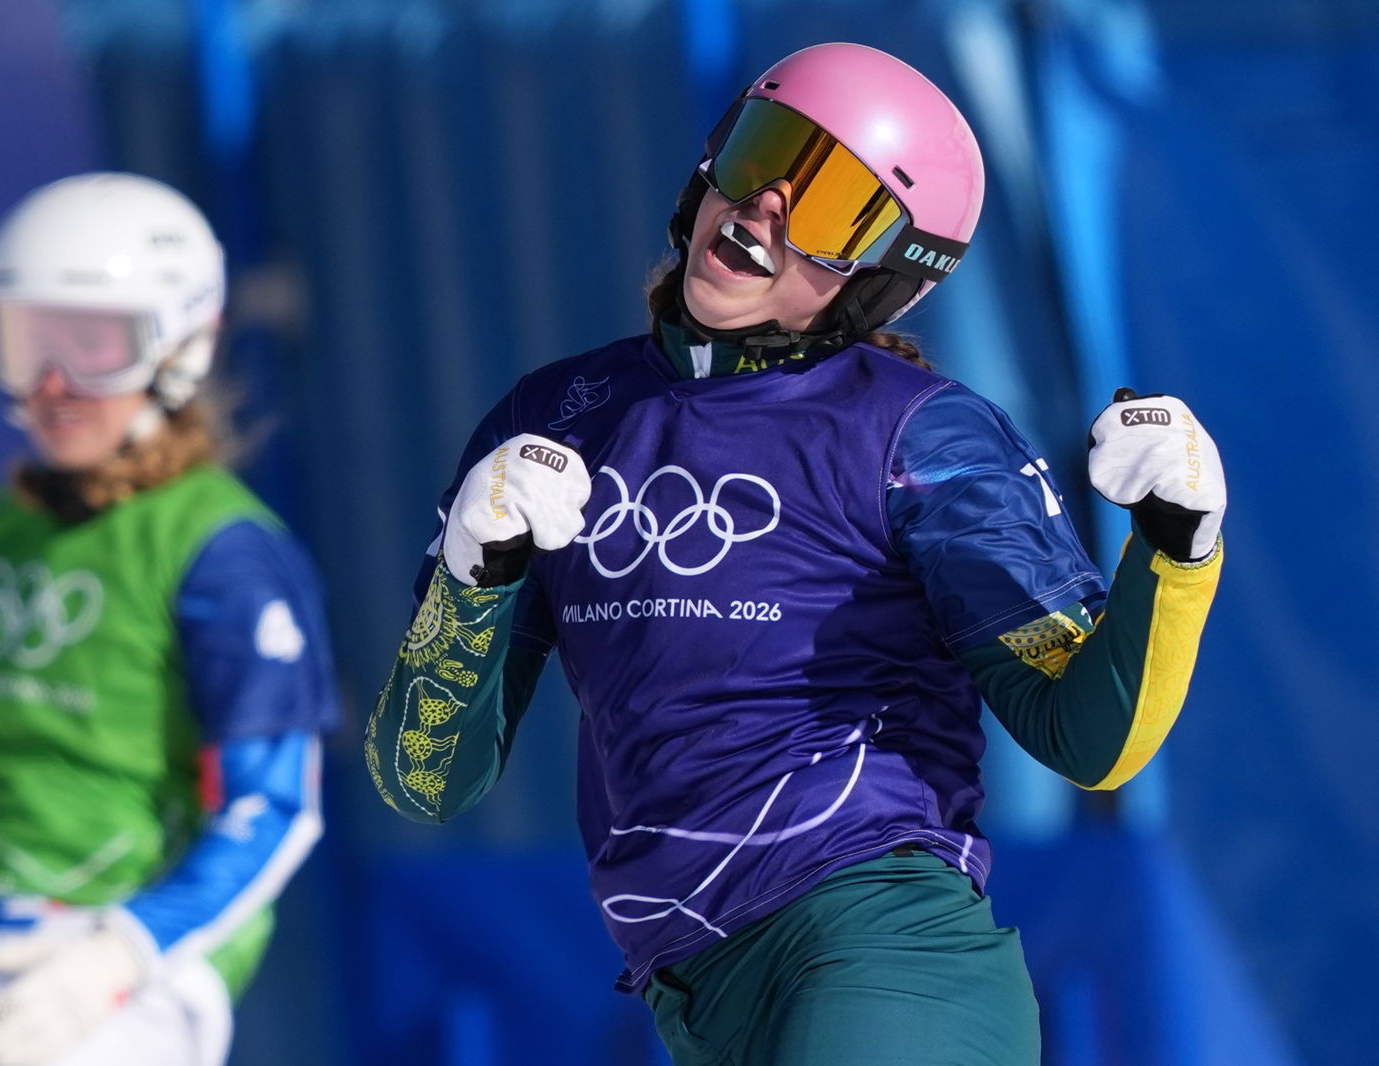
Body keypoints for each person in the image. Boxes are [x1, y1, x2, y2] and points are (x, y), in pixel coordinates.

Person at [364, 42, 1224, 1065]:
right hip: (695, 991)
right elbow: (424, 778)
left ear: (885, 277)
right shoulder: (555, 419)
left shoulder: (918, 436)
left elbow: (1089, 736)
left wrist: (1176, 546)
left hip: (881, 946)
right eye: (759, 155)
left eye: (829, 209)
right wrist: (472, 579)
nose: (761, 210)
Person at [0, 173, 340, 1066]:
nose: (52, 384)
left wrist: (117, 956)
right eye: (24, 342)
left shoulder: (221, 549)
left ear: (181, 348)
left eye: (92, 346)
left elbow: (274, 809)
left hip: (124, 957)